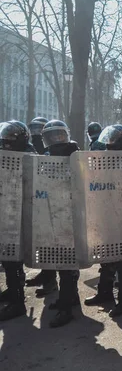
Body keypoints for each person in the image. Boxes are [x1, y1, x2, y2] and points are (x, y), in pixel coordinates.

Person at [83, 125, 122, 318]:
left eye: (115, 139)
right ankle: (104, 293)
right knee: (107, 258)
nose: (110, 143)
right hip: (107, 213)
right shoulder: (103, 159)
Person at [42, 120, 81, 328]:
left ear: (66, 135)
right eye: (53, 136)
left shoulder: (76, 155)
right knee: (60, 260)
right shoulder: (46, 157)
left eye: (60, 135)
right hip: (54, 211)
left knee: (67, 263)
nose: (57, 139)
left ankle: (66, 308)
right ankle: (70, 298)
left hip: (72, 213)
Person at [0, 121, 37, 321]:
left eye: (9, 139)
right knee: (7, 257)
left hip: (21, 212)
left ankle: (17, 302)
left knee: (13, 258)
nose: (5, 142)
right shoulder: (4, 154)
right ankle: (13, 290)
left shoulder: (29, 155)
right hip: (7, 209)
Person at [24, 117, 59, 294]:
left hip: (54, 202)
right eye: (34, 129)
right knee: (43, 242)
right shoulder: (32, 148)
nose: (36, 133)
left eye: (40, 130)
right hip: (39, 199)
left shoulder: (56, 151)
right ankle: (46, 274)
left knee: (52, 242)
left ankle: (51, 281)